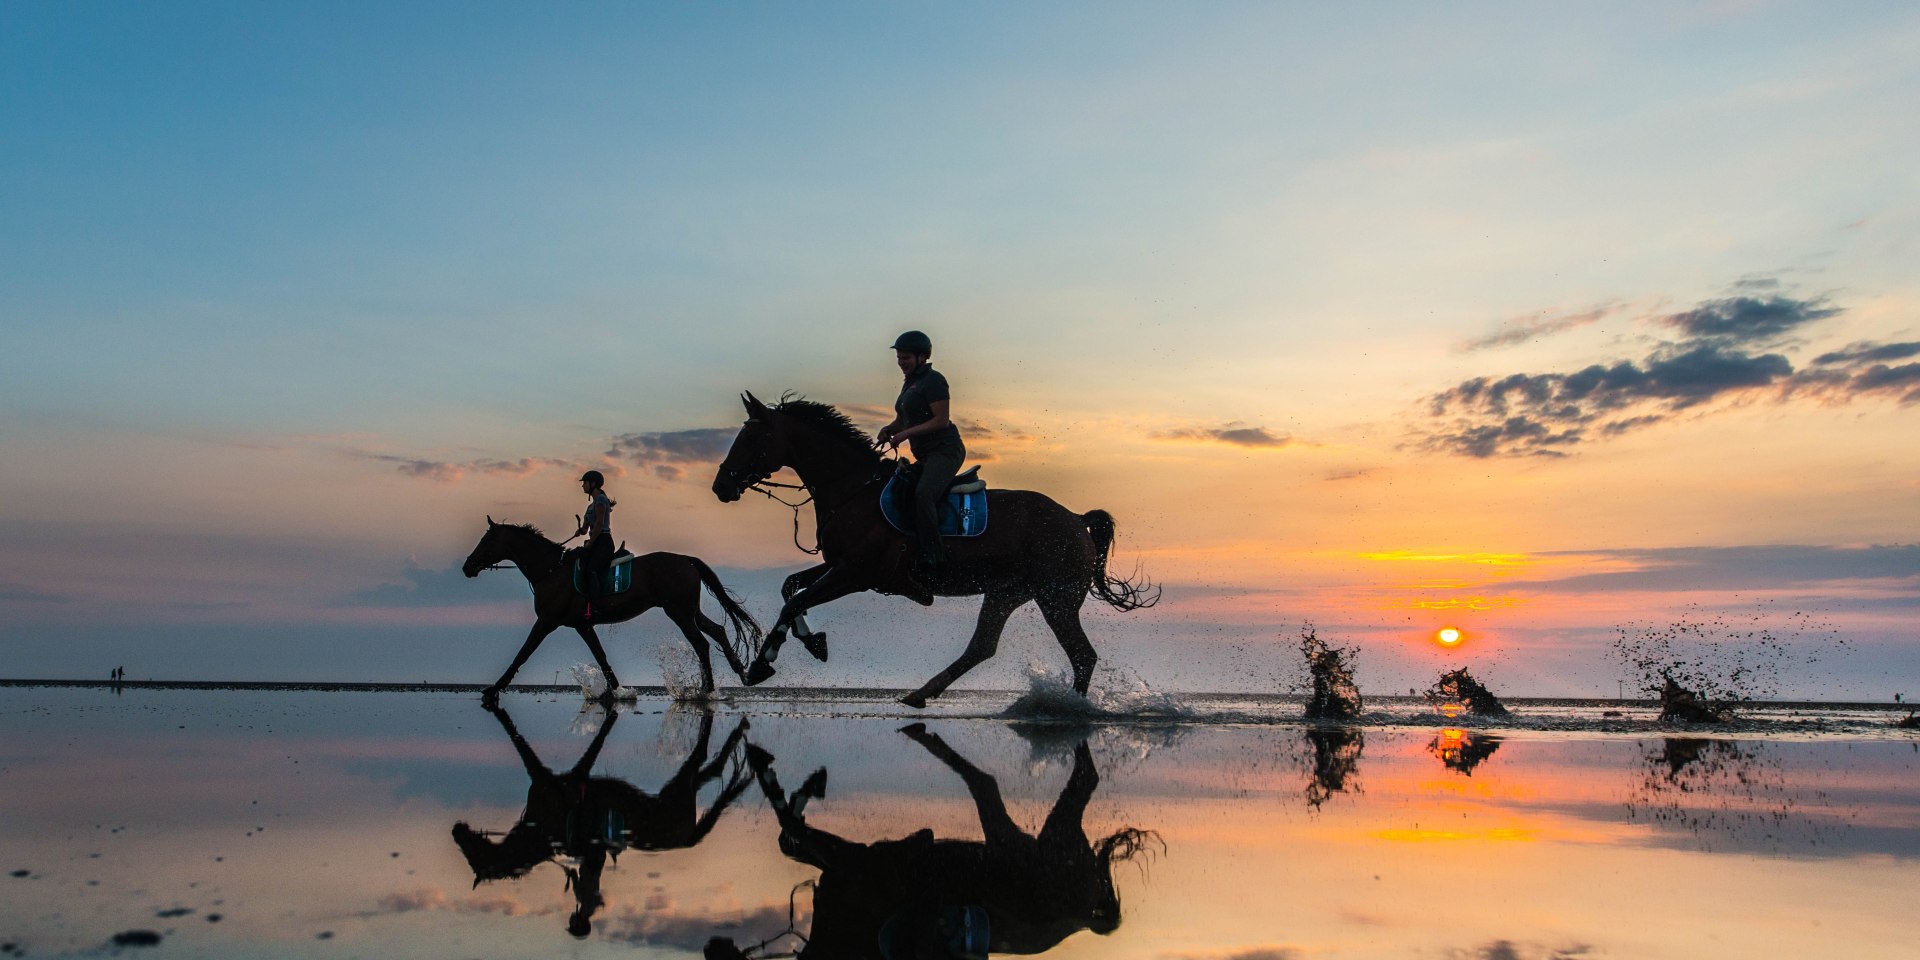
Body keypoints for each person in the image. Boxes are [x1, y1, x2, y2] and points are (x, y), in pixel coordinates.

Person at [876, 331, 965, 573]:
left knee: (923, 493)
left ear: (922, 357)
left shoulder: (934, 380)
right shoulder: (910, 383)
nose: (901, 362)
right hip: (926, 455)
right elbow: (903, 419)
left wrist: (905, 434)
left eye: (905, 358)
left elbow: (941, 421)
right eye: (899, 358)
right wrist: (890, 429)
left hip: (946, 451)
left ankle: (934, 554)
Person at [573, 471, 616, 620]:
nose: (582, 486)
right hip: (595, 541)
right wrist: (581, 530)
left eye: (584, 483)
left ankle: (596, 607)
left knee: (591, 569)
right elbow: (586, 529)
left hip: (603, 542)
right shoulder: (590, 506)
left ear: (593, 484)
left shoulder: (601, 500)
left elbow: (599, 524)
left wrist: (590, 544)